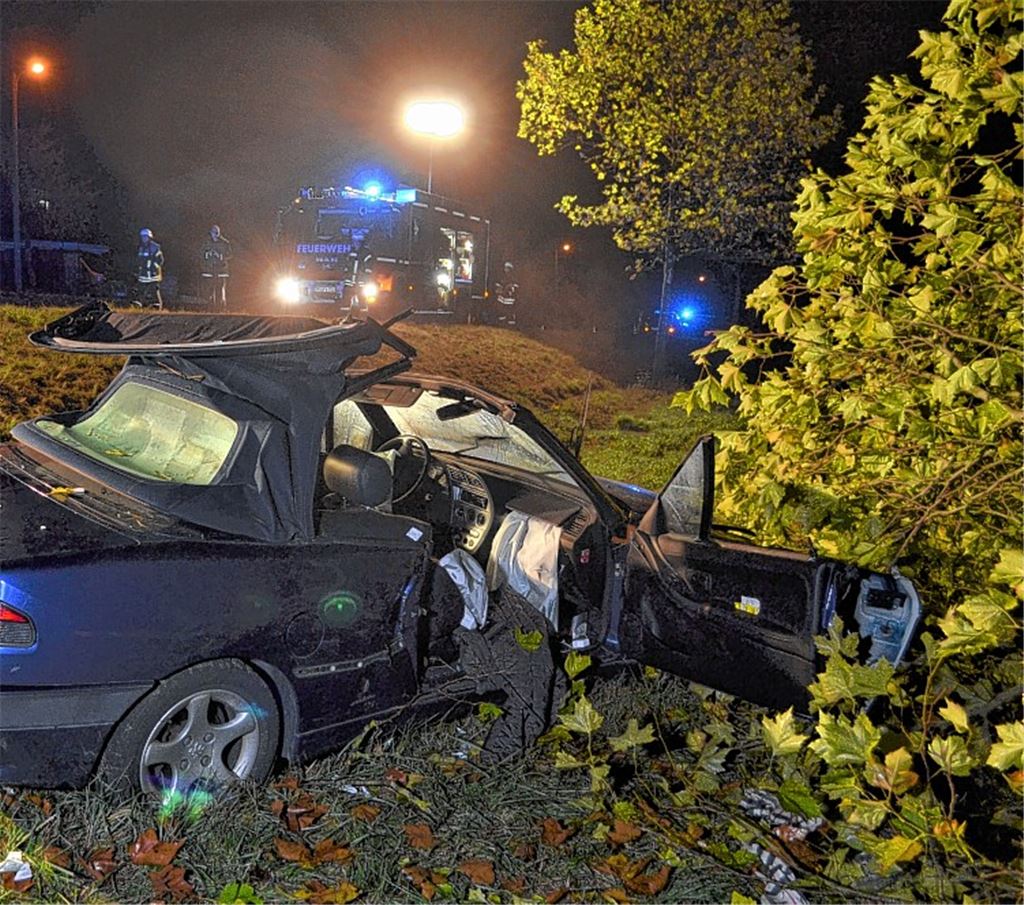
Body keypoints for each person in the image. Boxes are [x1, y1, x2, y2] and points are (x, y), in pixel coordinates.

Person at [199, 224, 232, 308]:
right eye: (214, 232)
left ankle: (221, 306)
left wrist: (221, 256)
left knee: (220, 288)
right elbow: (200, 253)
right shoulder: (206, 243)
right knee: (209, 288)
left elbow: (230, 254)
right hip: (209, 270)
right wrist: (207, 254)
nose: (215, 234)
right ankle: (210, 306)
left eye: (217, 232)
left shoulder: (225, 243)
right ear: (211, 232)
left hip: (221, 270)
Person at [134, 228, 164, 309]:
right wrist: (139, 268)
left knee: (154, 289)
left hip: (154, 274)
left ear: (150, 237)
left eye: (146, 237)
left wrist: (154, 268)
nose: (144, 239)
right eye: (142, 237)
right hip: (143, 274)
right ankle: (139, 303)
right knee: (141, 288)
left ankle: (157, 304)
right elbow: (139, 260)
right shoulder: (140, 248)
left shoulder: (155, 247)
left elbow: (160, 260)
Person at [495, 261, 518, 326]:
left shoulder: (513, 278)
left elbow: (515, 286)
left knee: (509, 308)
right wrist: (499, 289)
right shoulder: (502, 277)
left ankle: (510, 321)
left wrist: (509, 288)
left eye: (507, 268)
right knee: (501, 307)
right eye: (505, 268)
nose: (505, 269)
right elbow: (499, 284)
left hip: (509, 297)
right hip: (502, 297)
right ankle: (502, 320)